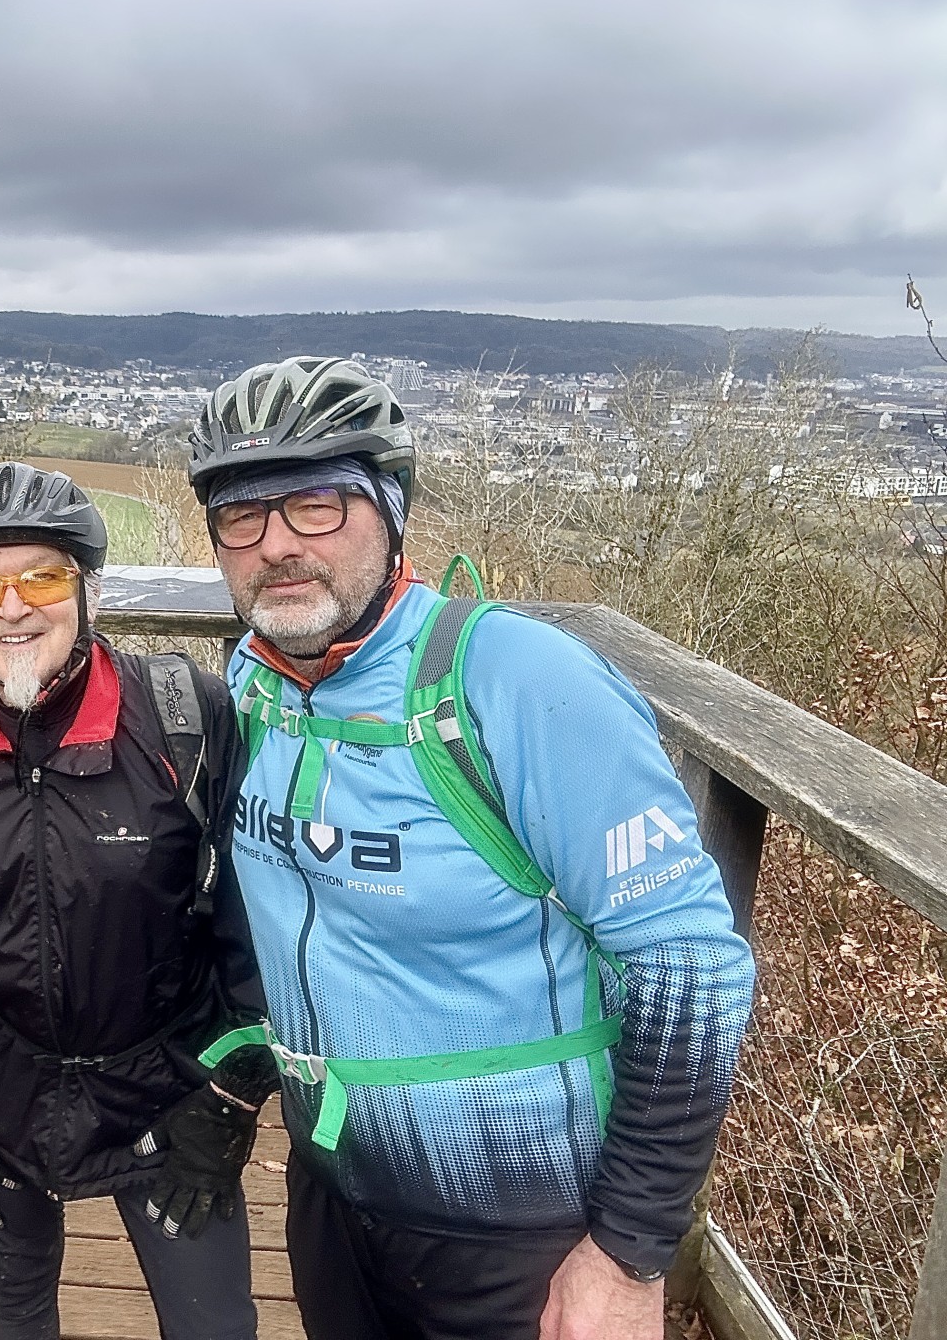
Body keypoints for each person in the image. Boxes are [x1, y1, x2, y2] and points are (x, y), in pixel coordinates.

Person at [187, 356, 756, 1340]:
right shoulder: (251, 688)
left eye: (317, 505)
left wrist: (628, 1256)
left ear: (392, 510)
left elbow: (692, 967)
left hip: (521, 1230)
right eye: (244, 515)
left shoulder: (519, 683)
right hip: (334, 1196)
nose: (277, 544)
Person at [0, 461, 278, 1340]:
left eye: (41, 577)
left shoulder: (183, 719)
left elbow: (256, 922)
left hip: (167, 1091)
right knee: (16, 1312)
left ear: (88, 589)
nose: (11, 607)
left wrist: (234, 1093)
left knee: (215, 1326)